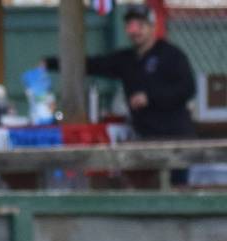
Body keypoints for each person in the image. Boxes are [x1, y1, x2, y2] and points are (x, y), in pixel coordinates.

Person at [44, 3, 196, 142]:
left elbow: (187, 88)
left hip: (175, 135)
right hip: (144, 136)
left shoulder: (171, 55)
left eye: (140, 26)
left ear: (152, 27)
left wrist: (150, 97)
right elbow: (94, 64)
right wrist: (51, 63)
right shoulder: (126, 59)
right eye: (130, 26)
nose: (135, 31)